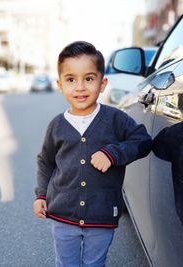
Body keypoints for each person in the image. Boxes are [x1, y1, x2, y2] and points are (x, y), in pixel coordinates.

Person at [33, 41, 152, 267]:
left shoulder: (115, 119)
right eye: (71, 80)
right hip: (63, 213)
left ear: (102, 83)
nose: (80, 87)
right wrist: (41, 195)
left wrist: (113, 153)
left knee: (94, 264)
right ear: (60, 85)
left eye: (89, 79)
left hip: (102, 213)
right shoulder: (57, 125)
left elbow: (143, 141)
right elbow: (45, 162)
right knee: (65, 263)